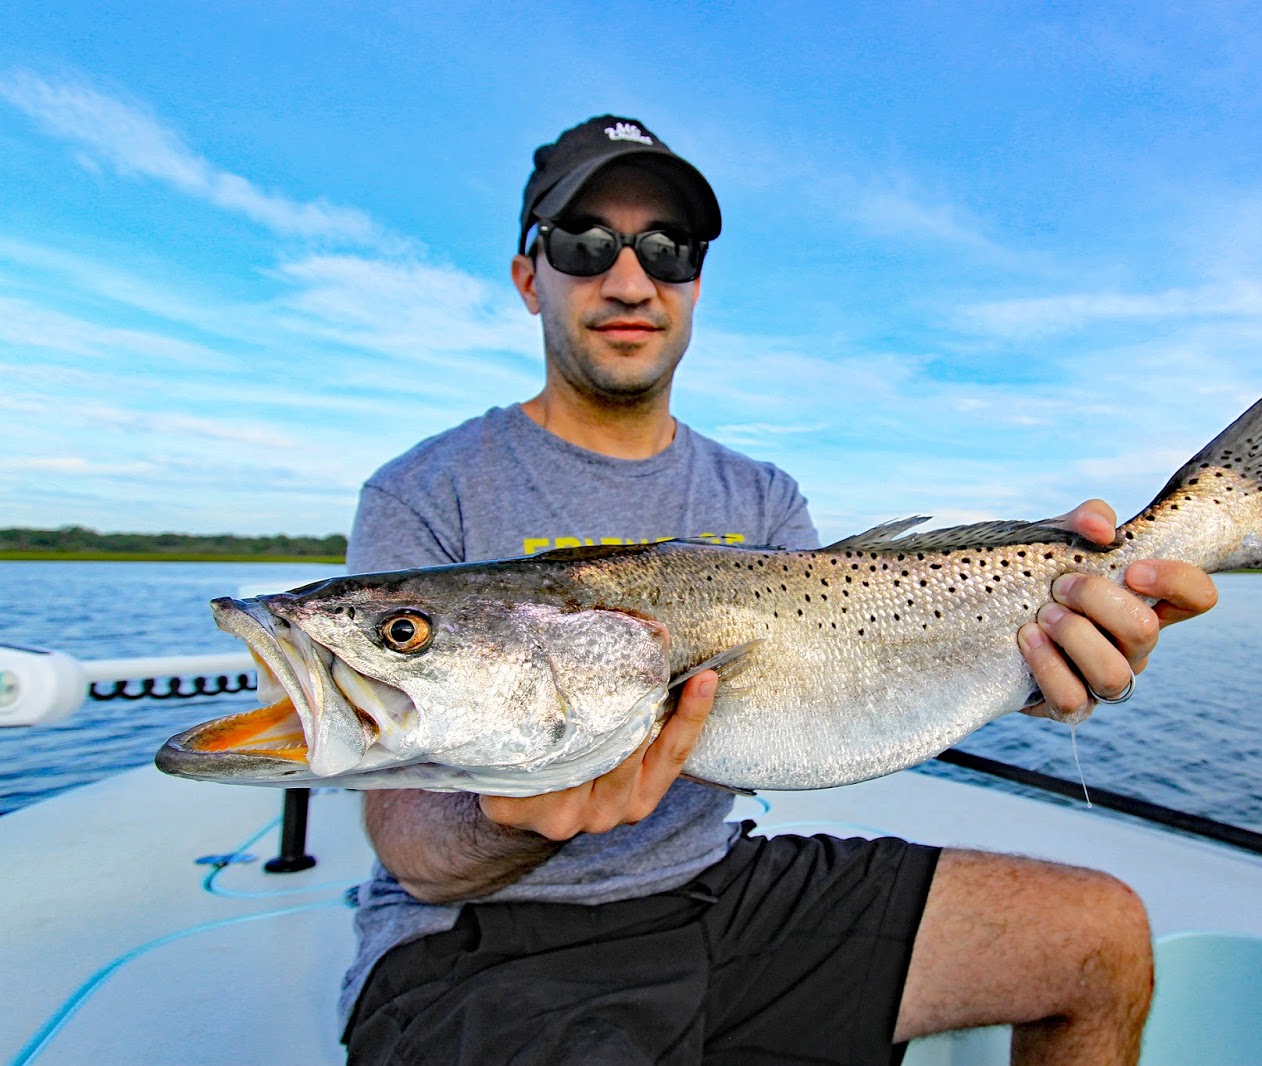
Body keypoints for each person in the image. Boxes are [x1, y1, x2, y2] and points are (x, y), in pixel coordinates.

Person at [339, 115, 1217, 1065]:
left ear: (695, 286)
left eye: (667, 250)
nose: (630, 280)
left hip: (717, 889)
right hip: (482, 945)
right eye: (584, 242)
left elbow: (850, 697)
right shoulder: (424, 491)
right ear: (528, 276)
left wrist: (1045, 669)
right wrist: (507, 819)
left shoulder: (760, 496)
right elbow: (413, 853)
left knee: (1099, 938)